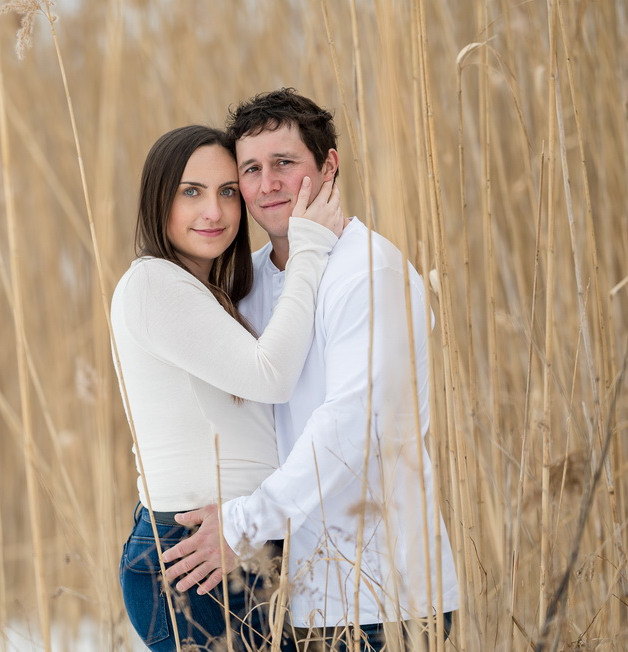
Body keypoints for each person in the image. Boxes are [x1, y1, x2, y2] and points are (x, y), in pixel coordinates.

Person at [161, 89, 461, 651]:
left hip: (382, 600)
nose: (267, 183)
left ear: (328, 167)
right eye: (251, 169)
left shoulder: (369, 274)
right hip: (289, 599)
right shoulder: (247, 285)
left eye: (285, 163)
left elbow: (351, 429)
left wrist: (242, 523)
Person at [111, 124, 344, 652]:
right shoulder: (152, 283)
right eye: (190, 192)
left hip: (236, 544)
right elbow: (273, 376)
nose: (213, 212)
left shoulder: (204, 293)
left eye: (227, 192)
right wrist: (308, 250)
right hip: (194, 556)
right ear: (158, 200)